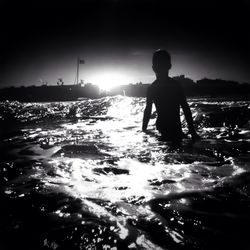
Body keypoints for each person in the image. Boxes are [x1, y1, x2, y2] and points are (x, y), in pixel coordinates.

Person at [142, 49, 199, 141]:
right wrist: (192, 132)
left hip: (162, 129)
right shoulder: (175, 85)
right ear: (169, 66)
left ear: (153, 68)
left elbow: (148, 110)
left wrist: (144, 130)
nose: (160, 68)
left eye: (162, 65)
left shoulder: (152, 88)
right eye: (159, 65)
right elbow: (185, 107)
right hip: (174, 129)